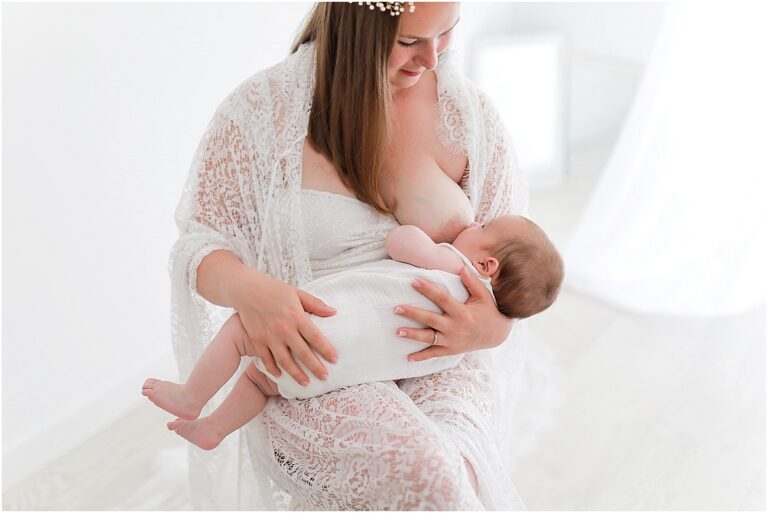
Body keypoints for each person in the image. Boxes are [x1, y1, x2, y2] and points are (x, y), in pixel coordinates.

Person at [170, 2, 532, 509]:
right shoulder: (261, 111)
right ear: (355, 26)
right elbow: (200, 246)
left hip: (440, 362)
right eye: (409, 42)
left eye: (446, 33)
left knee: (458, 470)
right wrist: (254, 293)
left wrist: (491, 328)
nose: (432, 58)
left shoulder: (466, 115)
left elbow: (518, 255)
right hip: (316, 358)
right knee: (426, 473)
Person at [147, 215, 563, 452]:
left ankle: (192, 398)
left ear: (486, 266)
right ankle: (214, 429)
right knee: (262, 380)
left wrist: (424, 236)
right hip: (330, 374)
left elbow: (402, 242)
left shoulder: (454, 265)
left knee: (240, 331)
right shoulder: (459, 345)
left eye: (483, 226)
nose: (473, 223)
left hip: (320, 326)